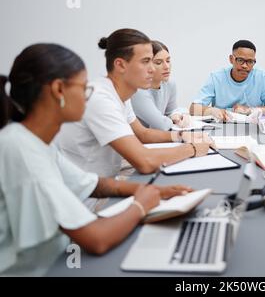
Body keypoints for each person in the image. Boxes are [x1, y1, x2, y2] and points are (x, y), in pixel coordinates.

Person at [0, 44, 193, 276]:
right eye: (83, 88)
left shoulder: (35, 141)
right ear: (59, 90)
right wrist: (140, 204)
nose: (87, 96)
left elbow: (94, 184)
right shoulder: (20, 149)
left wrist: (151, 190)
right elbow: (97, 239)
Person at [54, 29, 213, 178]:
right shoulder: (100, 99)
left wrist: (182, 135)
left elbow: (142, 134)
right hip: (91, 198)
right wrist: (191, 148)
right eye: (146, 61)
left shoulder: (120, 94)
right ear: (120, 65)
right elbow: (144, 162)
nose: (152, 69)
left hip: (108, 180)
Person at [190, 40, 265, 121]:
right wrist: (213, 111)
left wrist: (250, 110)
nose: (245, 66)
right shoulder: (216, 78)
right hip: (223, 126)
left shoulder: (262, 77)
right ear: (231, 59)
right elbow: (193, 109)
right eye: (240, 60)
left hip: (253, 127)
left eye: (250, 62)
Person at [131, 41, 190, 130]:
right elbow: (161, 124)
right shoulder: (138, 90)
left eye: (168, 61)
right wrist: (172, 119)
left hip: (158, 139)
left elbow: (171, 111)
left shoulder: (169, 83)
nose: (167, 66)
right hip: (138, 140)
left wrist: (178, 115)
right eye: (158, 62)